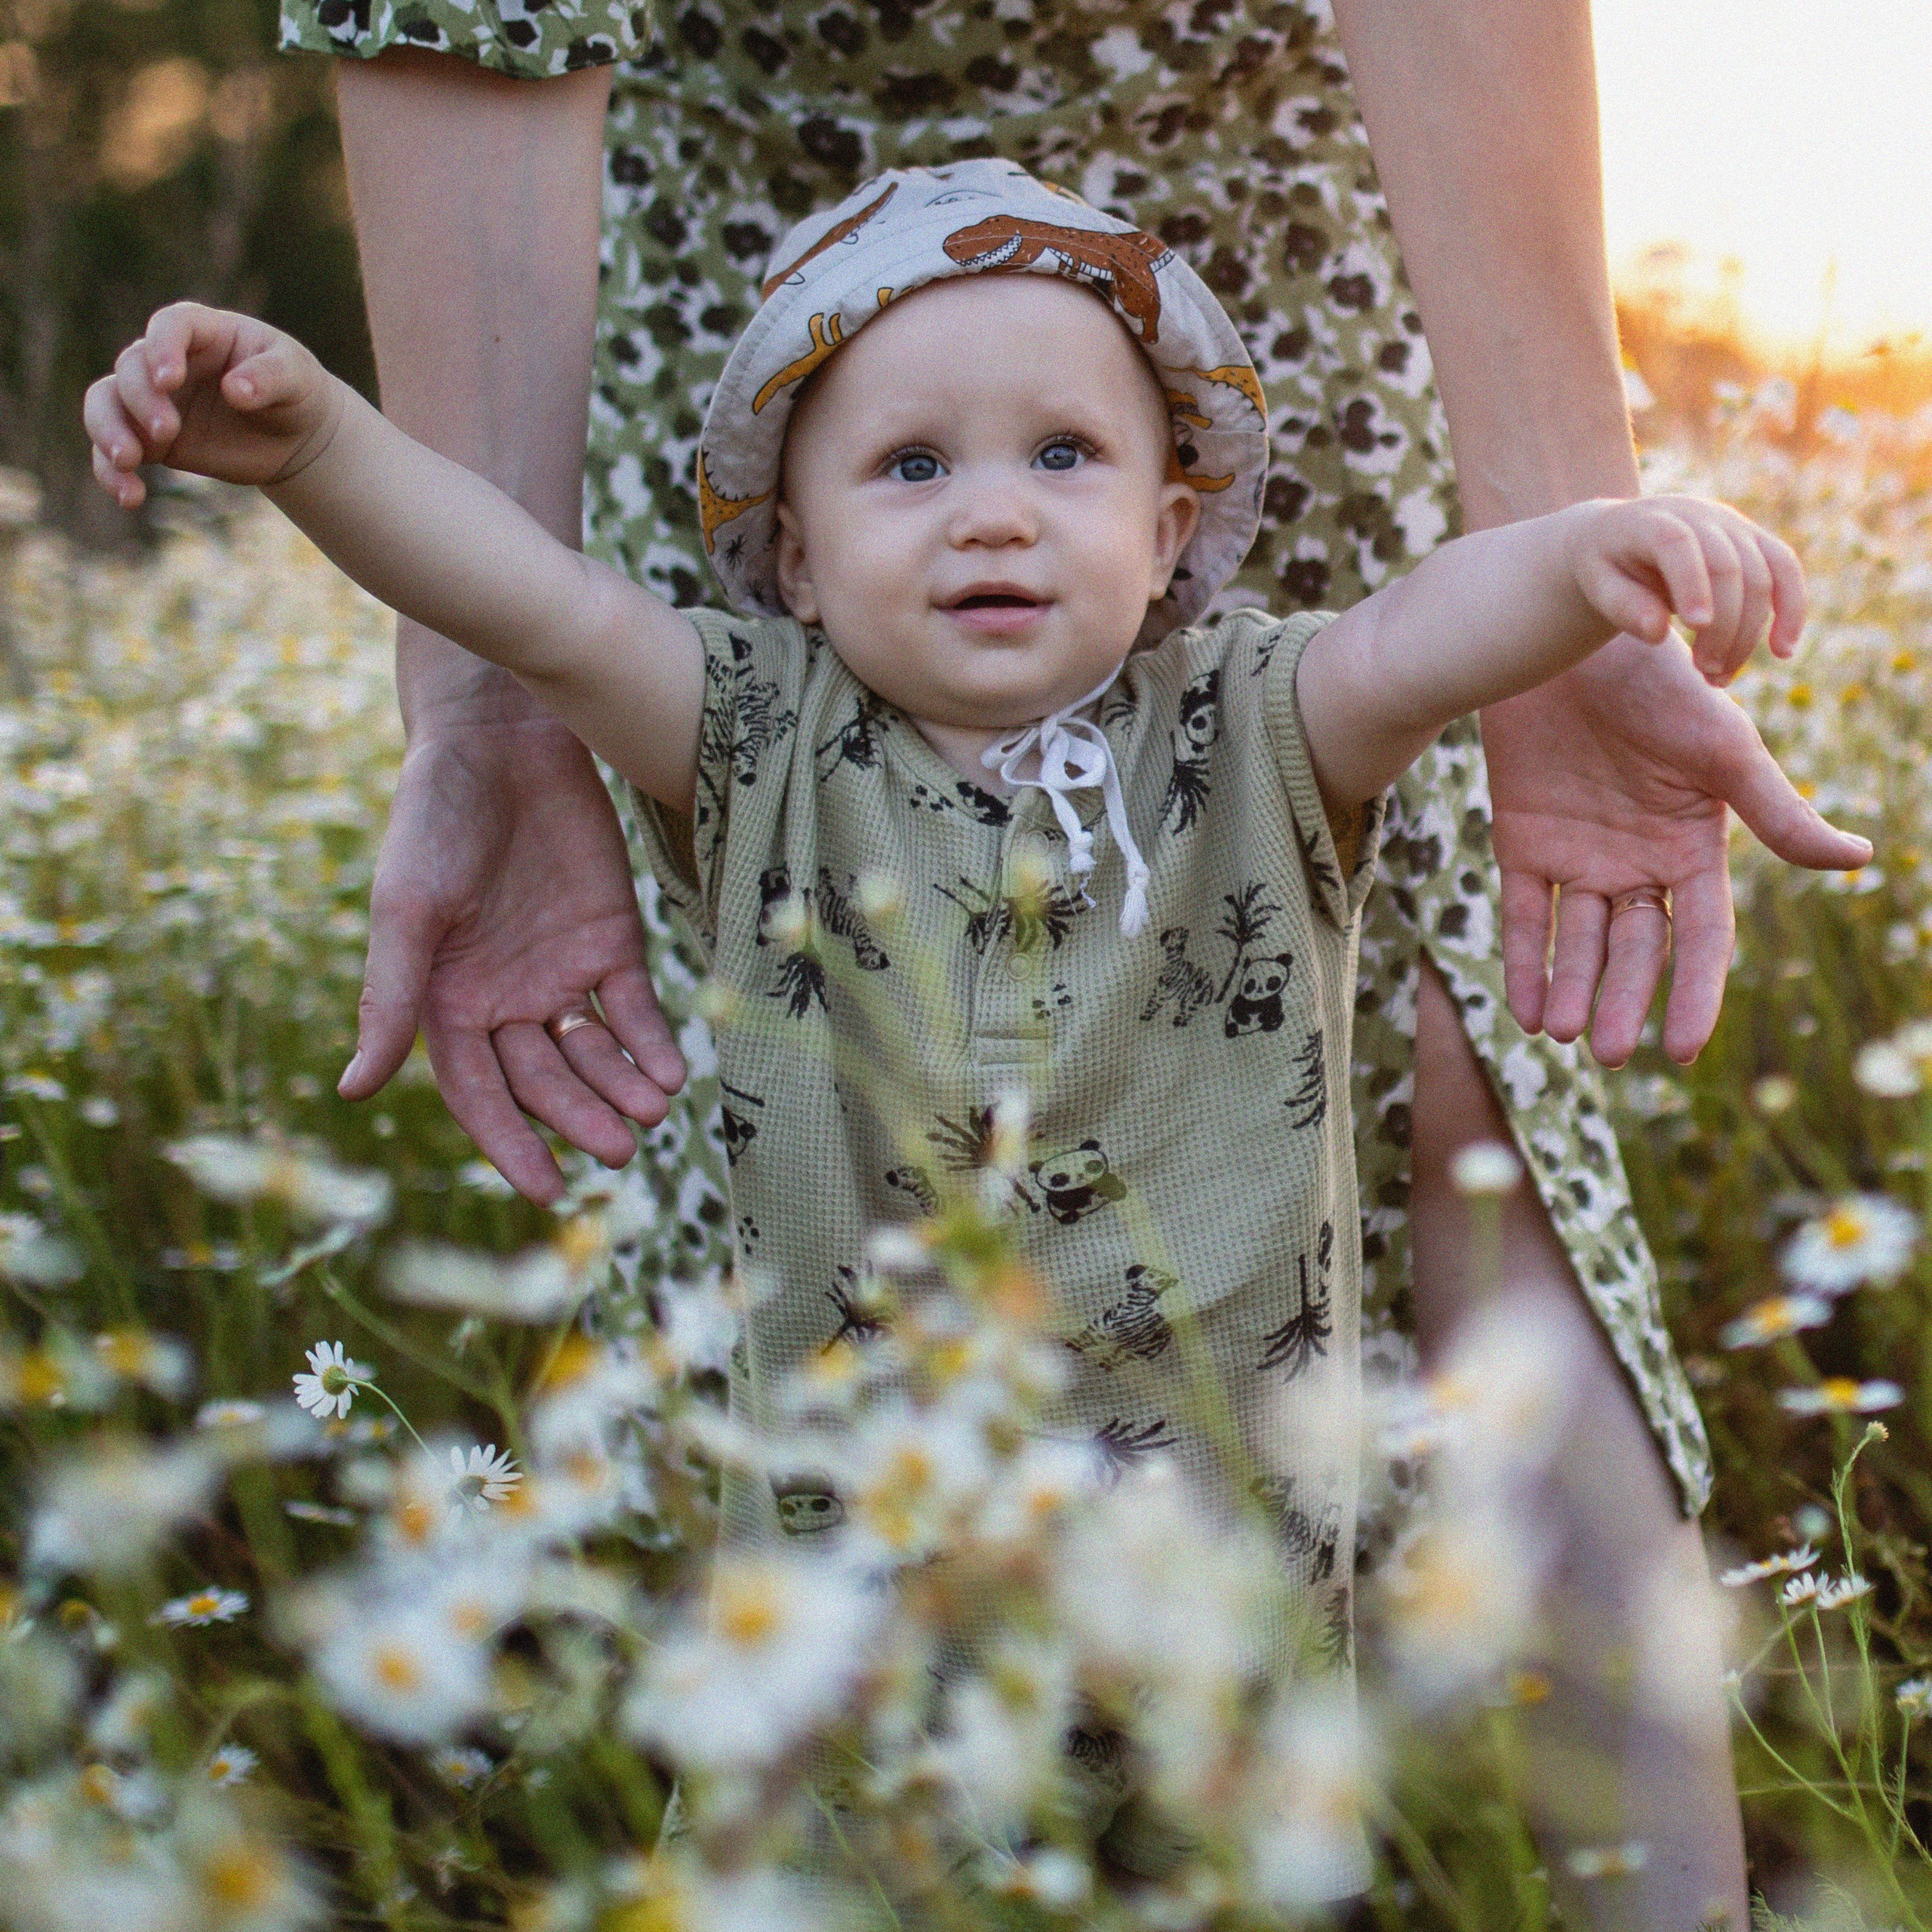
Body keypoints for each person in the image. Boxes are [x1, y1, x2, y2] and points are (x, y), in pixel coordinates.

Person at [278, 5, 1870, 1920]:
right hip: (868, 1541)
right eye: (915, 473)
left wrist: (1598, 554)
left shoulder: (1256, 718)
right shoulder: (744, 730)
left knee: (1472, 1159)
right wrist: (308, 444)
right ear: (783, 559)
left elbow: (1428, 624)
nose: (998, 509)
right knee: (823, 1805)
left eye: (1057, 457)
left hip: (1231, 1555)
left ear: (1175, 523)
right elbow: (506, 591)